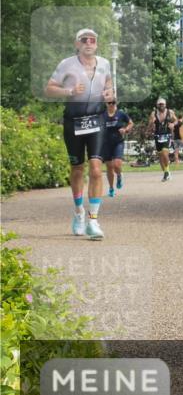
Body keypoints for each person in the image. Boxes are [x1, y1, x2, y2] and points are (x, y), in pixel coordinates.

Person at [44, 28, 114, 240]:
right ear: (77, 44)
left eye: (92, 40)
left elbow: (109, 83)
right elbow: (49, 88)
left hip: (97, 119)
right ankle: (78, 213)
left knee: (95, 168)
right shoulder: (67, 64)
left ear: (96, 44)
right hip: (73, 121)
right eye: (84, 40)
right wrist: (69, 91)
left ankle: (93, 220)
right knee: (77, 169)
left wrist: (110, 92)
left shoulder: (104, 64)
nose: (88, 43)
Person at [102, 98, 133, 197]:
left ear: (116, 103)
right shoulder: (102, 115)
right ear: (106, 104)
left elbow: (131, 123)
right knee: (109, 167)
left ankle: (119, 175)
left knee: (116, 164)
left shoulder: (121, 114)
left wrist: (125, 129)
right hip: (106, 143)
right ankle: (111, 188)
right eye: (109, 103)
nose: (111, 104)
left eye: (113, 102)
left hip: (118, 142)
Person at [148, 98, 177, 181]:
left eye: (162, 104)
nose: (161, 106)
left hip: (167, 135)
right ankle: (166, 173)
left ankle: (167, 173)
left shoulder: (170, 112)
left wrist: (172, 124)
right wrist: (151, 122)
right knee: (160, 156)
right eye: (160, 104)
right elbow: (150, 125)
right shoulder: (153, 113)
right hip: (157, 135)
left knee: (165, 153)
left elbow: (176, 121)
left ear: (165, 105)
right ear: (157, 105)